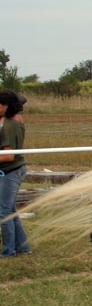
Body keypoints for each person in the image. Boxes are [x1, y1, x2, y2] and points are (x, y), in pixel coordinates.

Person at [0, 90, 30, 257]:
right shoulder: (12, 121)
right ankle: (23, 247)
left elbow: (9, 155)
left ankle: (8, 251)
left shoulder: (10, 125)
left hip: (12, 170)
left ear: (6, 106)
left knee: (4, 212)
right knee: (10, 211)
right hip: (11, 170)